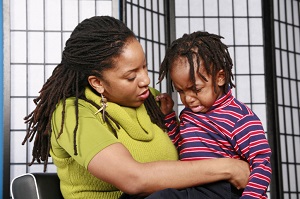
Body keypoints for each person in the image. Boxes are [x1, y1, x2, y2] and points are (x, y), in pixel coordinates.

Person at [22, 16, 250, 199]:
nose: (145, 80)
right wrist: (229, 168)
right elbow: (135, 180)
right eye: (131, 76)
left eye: (144, 67)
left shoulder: (152, 101)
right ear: (97, 83)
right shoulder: (73, 114)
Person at [156, 31, 272, 198]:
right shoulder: (188, 114)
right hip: (191, 183)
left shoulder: (240, 118)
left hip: (222, 190)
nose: (188, 99)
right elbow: (180, 148)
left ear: (220, 78)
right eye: (181, 91)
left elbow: (262, 163)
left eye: (196, 89)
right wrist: (168, 117)